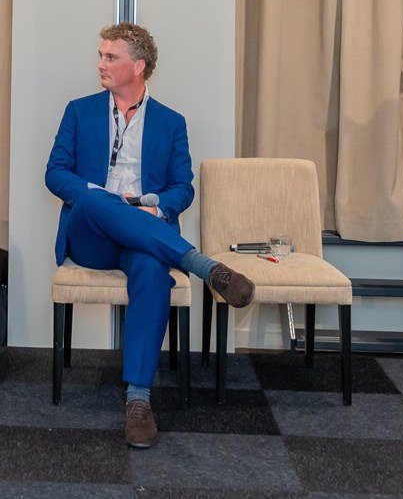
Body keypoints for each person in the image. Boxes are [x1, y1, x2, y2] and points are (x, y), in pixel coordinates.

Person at [45, 22, 255, 449]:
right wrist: (106, 200)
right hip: (91, 235)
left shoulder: (171, 122)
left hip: (144, 234)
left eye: (111, 57)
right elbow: (56, 173)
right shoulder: (79, 111)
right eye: (101, 56)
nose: (101, 64)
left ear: (138, 66)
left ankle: (139, 400)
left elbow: (182, 187)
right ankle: (202, 266)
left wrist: (158, 209)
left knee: (152, 271)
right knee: (97, 199)